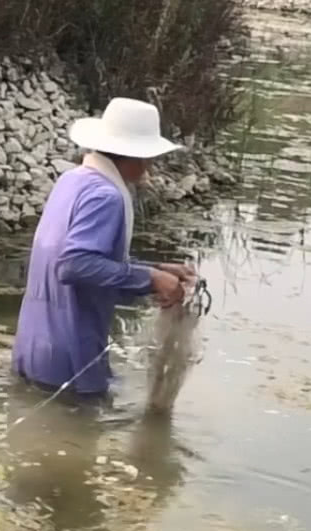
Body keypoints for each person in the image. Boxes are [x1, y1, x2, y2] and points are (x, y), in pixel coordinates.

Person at [11, 97, 196, 403]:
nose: (150, 166)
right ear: (137, 156)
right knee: (78, 441)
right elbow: (74, 265)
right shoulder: (106, 196)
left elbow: (90, 260)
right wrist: (150, 279)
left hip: (32, 349)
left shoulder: (72, 180)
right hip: (70, 360)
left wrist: (158, 271)